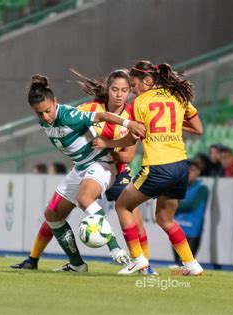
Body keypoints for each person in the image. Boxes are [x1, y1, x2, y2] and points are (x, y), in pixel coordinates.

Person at [11, 70, 157, 274]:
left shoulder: (70, 115)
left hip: (101, 164)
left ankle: (117, 250)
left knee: (85, 198)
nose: (46, 116)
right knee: (52, 214)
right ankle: (76, 264)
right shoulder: (45, 120)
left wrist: (129, 124)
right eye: (39, 113)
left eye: (48, 110)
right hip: (80, 168)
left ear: (55, 101)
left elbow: (104, 116)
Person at [94, 60, 204, 276]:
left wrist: (107, 144)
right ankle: (191, 264)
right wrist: (175, 124)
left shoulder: (140, 102)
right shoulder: (179, 96)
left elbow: (131, 138)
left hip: (158, 166)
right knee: (165, 218)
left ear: (147, 80)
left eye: (134, 86)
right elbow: (198, 129)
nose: (134, 90)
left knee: (123, 206)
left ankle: (137, 260)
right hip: (181, 167)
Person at [171, 159, 209, 266]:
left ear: (198, 172)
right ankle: (178, 277)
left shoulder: (202, 188)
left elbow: (191, 205)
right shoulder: (178, 186)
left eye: (192, 170)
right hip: (178, 226)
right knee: (177, 263)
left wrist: (174, 206)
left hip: (193, 229)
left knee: (187, 262)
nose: (189, 173)